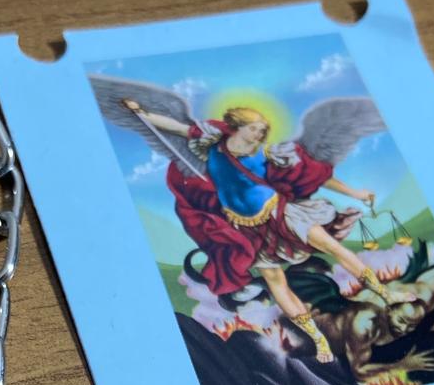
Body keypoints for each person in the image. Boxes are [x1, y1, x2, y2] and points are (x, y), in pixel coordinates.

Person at [122, 100, 415, 363]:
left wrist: (355, 193)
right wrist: (142, 113)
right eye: (255, 129)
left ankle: (386, 294)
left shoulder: (267, 156)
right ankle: (318, 339)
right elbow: (175, 127)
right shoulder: (212, 142)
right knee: (276, 282)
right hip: (244, 228)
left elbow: (316, 177)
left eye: (263, 130)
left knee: (333, 247)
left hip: (281, 212)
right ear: (237, 127)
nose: (260, 135)